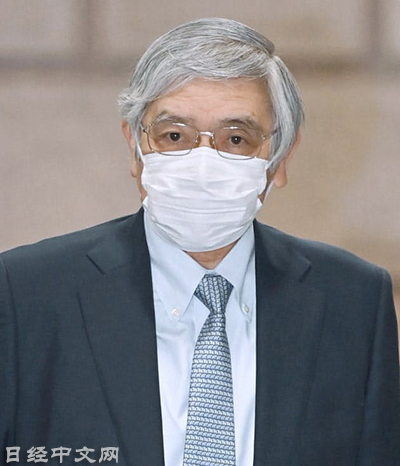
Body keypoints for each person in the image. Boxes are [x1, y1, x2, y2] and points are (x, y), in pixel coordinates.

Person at [1, 17, 399, 466]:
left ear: (280, 158)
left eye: (236, 139)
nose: (203, 164)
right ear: (134, 146)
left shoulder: (354, 301)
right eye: (174, 136)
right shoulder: (25, 293)